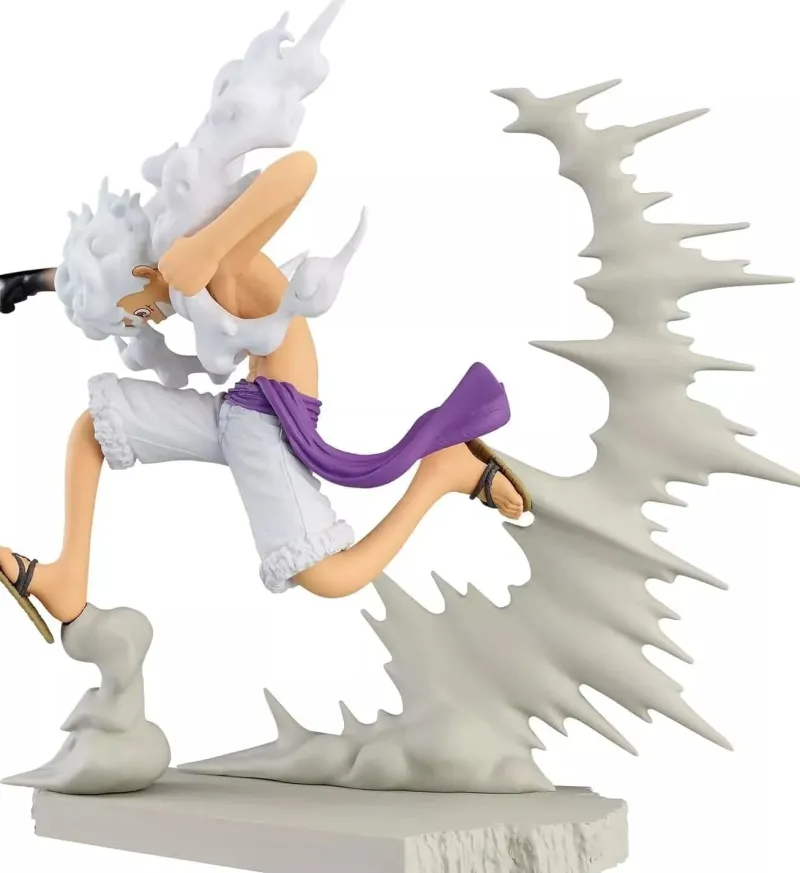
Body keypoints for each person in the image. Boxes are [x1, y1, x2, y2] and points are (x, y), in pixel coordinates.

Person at [0, 151, 532, 645]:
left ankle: (441, 473)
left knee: (329, 576)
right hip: (241, 411)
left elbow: (300, 167)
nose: (150, 321)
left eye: (139, 314)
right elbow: (107, 278)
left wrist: (204, 251)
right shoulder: (184, 270)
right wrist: (29, 283)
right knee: (95, 427)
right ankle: (67, 577)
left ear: (141, 274)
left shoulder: (215, 262)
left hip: (266, 423)